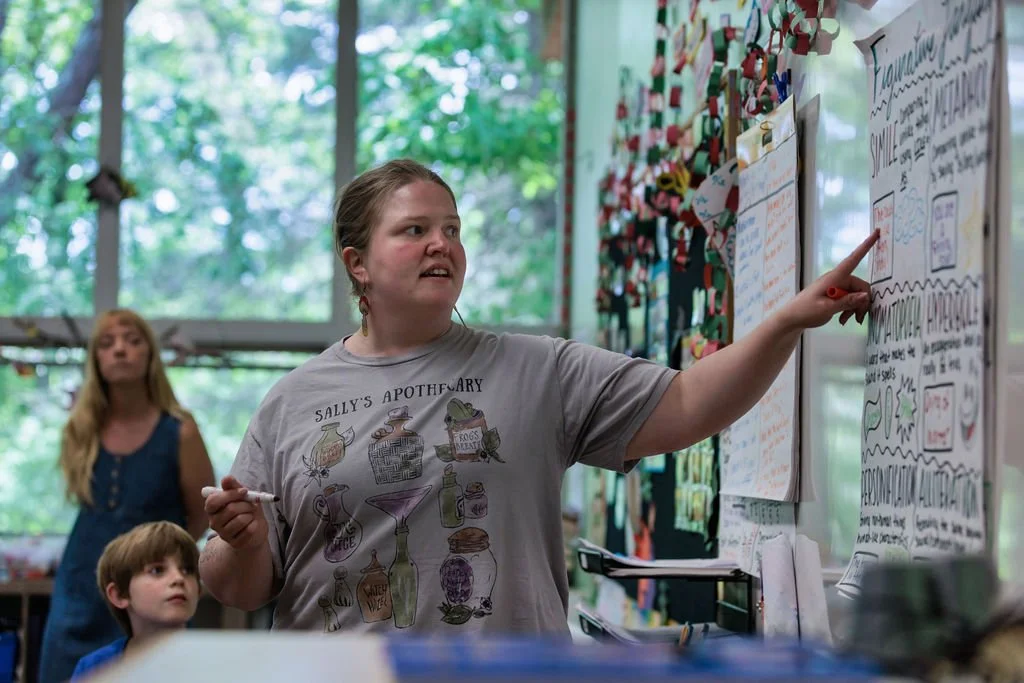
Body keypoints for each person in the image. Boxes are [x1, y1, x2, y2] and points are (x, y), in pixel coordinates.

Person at [199, 158, 876, 635]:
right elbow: (238, 584)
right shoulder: (293, 401)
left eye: (453, 228)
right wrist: (242, 541)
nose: (443, 243)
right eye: (414, 231)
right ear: (357, 263)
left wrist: (787, 320)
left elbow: (690, 402)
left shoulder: (535, 367)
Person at [39, 309, 215, 683]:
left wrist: (161, 563)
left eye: (133, 341)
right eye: (107, 343)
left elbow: (199, 516)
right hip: (80, 584)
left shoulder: (180, 431)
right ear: (97, 360)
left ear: (150, 356)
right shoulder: (81, 429)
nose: (120, 350)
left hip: (150, 592)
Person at [70, 521, 201, 680]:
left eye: (187, 570)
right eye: (157, 570)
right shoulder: (95, 667)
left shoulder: (216, 661)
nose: (179, 578)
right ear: (119, 595)